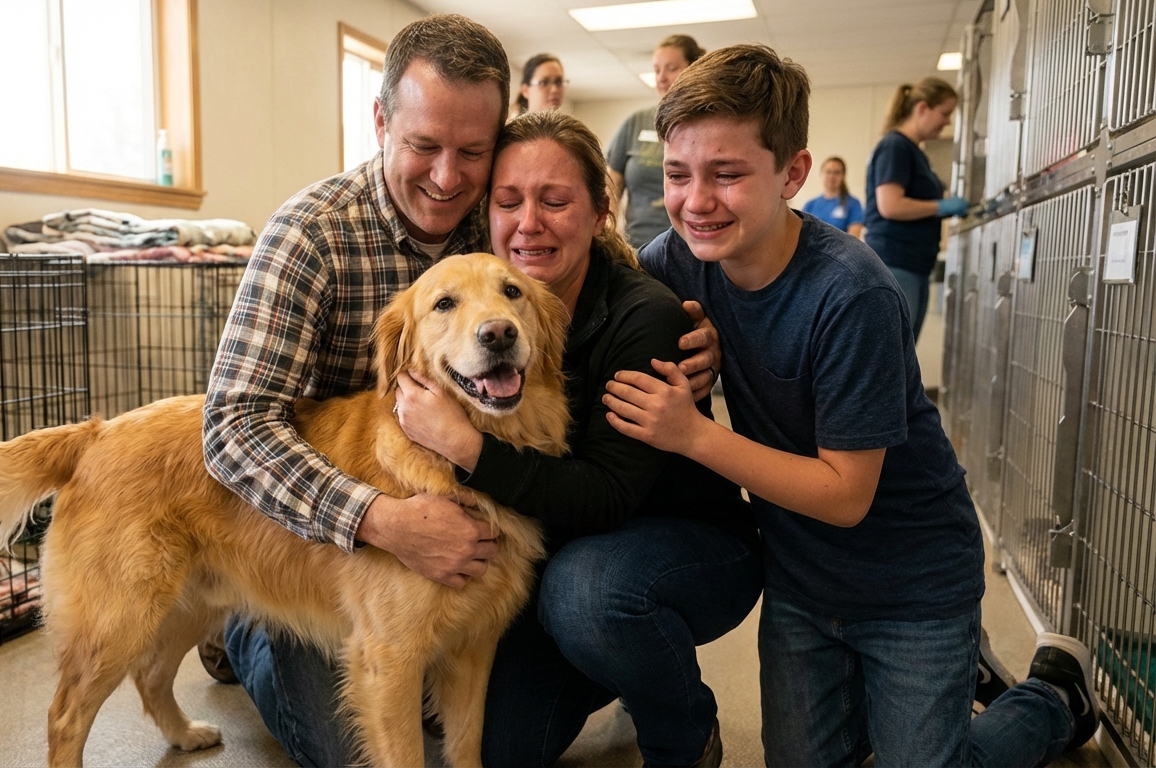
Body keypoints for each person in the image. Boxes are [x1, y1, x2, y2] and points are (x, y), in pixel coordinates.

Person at [200, 15, 722, 767]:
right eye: (423, 146)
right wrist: (378, 519)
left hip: (473, 501)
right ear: (381, 122)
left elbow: (589, 241)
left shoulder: (499, 206)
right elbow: (233, 428)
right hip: (317, 527)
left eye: (472, 152)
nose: (447, 177)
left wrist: (690, 328)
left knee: (490, 733)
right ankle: (247, 621)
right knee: (349, 742)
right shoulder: (309, 237)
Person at [605, 44, 1098, 767]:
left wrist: (693, 434)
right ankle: (904, 705)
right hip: (804, 584)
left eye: (728, 174)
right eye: (678, 174)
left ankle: (1053, 698)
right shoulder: (673, 260)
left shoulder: (851, 292)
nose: (695, 200)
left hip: (914, 580)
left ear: (792, 175)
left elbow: (844, 496)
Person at [395, 109, 760, 767]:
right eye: (509, 202)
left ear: (599, 213)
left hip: (669, 548)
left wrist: (467, 448)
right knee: (495, 742)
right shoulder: (474, 298)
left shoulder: (645, 317)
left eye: (555, 201)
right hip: (553, 550)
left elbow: (605, 497)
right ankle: (251, 640)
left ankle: (682, 734)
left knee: (587, 594)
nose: (528, 222)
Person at [864, 77, 969, 341]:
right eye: (944, 113)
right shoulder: (895, 146)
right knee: (894, 351)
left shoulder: (915, 152)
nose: (947, 122)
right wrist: (940, 206)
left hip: (915, 264)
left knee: (905, 350)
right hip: (896, 261)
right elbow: (890, 205)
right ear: (922, 108)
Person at [606, 34, 703, 249]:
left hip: (690, 247)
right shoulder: (636, 122)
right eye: (657, 69)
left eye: (671, 68)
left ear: (693, 68)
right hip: (638, 247)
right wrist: (609, 236)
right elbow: (611, 183)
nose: (661, 78)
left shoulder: (705, 126)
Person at [802, 155, 864, 237]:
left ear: (843, 176)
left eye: (836, 172)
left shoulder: (853, 204)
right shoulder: (810, 205)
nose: (832, 176)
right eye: (828, 172)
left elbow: (854, 238)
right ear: (822, 174)